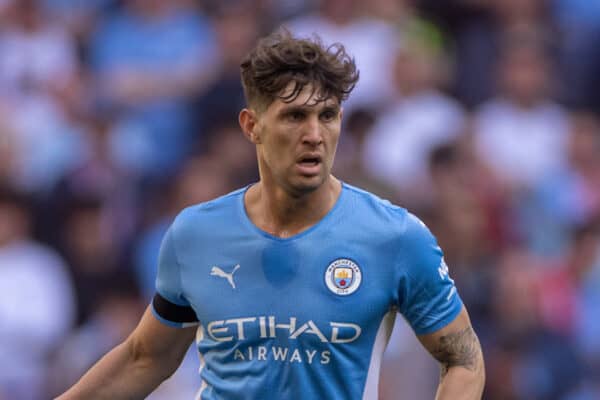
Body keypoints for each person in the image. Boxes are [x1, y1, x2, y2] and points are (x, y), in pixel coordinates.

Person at [57, 30, 485, 400]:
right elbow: (144, 358)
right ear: (251, 125)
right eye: (295, 116)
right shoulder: (196, 234)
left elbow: (464, 359)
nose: (314, 135)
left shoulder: (395, 237)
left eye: (328, 116)